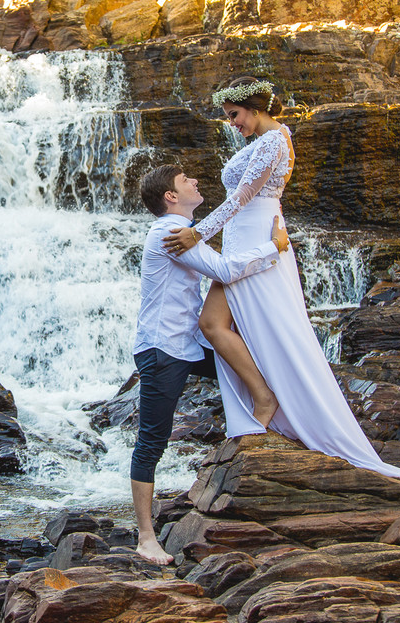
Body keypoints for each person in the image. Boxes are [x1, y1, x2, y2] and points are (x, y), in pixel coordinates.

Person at [163, 77, 400, 484]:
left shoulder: (274, 141)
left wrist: (198, 232)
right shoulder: (262, 141)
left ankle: (268, 400)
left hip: (258, 238)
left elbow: (241, 198)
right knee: (213, 324)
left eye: (234, 116)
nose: (233, 124)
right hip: (244, 239)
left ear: (253, 107)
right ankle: (263, 395)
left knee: (238, 324)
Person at [131, 164, 291, 565]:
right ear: (170, 196)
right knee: (152, 439)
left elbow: (222, 269)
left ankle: (267, 404)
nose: (195, 181)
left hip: (188, 343)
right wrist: (274, 247)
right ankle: (146, 537)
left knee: (249, 358)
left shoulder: (185, 232)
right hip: (162, 350)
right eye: (186, 181)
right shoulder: (168, 232)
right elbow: (222, 270)